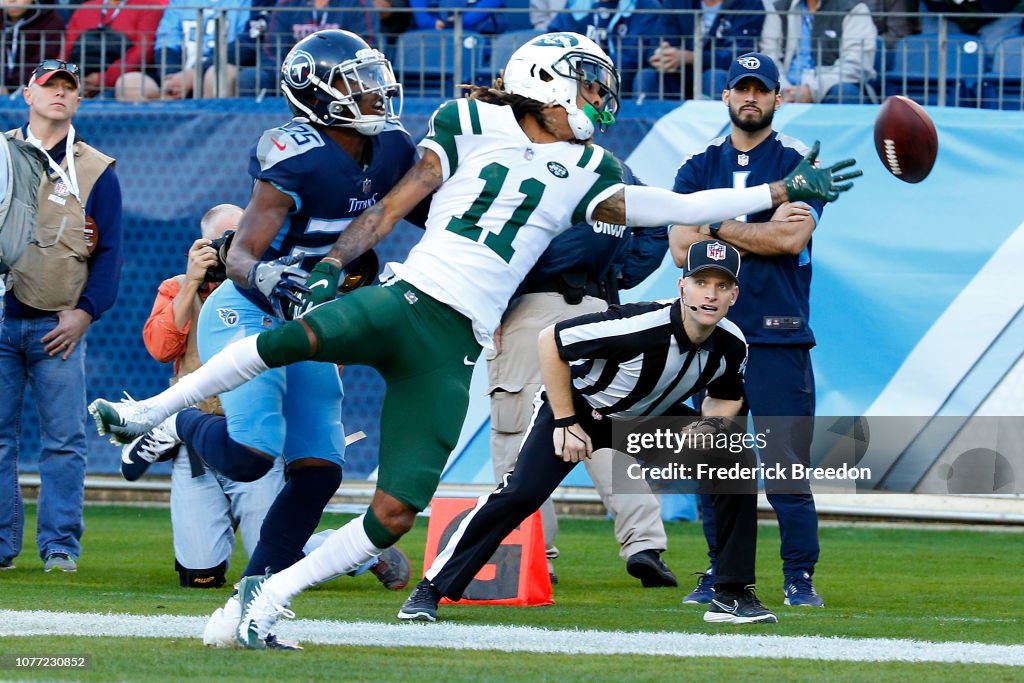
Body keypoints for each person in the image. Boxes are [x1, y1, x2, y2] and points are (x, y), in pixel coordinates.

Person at [88, 31, 857, 648]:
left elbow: (673, 204)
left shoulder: (591, 167)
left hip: (454, 346)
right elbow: (393, 207)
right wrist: (329, 264)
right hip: (407, 299)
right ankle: (150, 410)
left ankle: (268, 599)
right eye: (583, 81)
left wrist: (777, 190)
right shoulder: (464, 122)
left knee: (396, 511)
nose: (595, 95)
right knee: (291, 338)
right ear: (548, 81)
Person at [401, 240, 778, 624]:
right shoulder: (639, 325)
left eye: (721, 286)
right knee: (521, 494)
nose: (710, 294)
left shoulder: (732, 344)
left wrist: (707, 432)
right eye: (701, 283)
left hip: (646, 421)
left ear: (735, 294)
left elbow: (726, 396)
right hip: (583, 409)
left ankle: (731, 594)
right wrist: (565, 421)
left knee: (732, 459)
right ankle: (430, 589)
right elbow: (551, 341)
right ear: (682, 286)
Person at [135, 203, 408, 594]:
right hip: (201, 437)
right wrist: (193, 282)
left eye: (243, 238)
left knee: (278, 552)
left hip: (256, 433)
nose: (234, 249)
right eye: (223, 242)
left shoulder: (285, 288)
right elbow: (161, 347)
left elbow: (331, 361)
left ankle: (357, 551)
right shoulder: (179, 286)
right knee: (200, 576)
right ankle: (346, 547)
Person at [668, 52, 827, 608]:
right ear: (727, 96)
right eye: (742, 88)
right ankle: (720, 571)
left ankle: (799, 578)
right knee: (714, 464)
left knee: (786, 467)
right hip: (711, 342)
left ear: (779, 99)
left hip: (778, 335)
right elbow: (680, 250)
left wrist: (713, 224)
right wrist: (755, 226)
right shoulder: (697, 166)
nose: (751, 97)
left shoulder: (799, 166)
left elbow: (789, 242)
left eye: (762, 89)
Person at [487, 164, 677, 588]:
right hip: (599, 310)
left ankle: (534, 555)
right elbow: (654, 224)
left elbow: (492, 243)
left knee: (517, 436)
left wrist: (491, 306)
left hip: (529, 310)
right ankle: (643, 544)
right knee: (609, 433)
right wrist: (619, 274)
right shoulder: (617, 168)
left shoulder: (523, 161)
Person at [0, 60, 123, 573]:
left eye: (68, 89)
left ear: (78, 102)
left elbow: (111, 251)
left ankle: (60, 547)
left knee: (65, 442)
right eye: (49, 86)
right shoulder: (1, 153)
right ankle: (3, 546)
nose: (58, 95)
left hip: (59, 326)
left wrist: (86, 314)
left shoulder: (97, 167)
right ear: (27, 94)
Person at [236, 0, 382, 98]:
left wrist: (329, 77)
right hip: (292, 75)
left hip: (340, 79)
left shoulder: (359, 4)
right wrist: (293, 77)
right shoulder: (286, 4)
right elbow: (271, 52)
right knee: (249, 77)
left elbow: (364, 49)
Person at [116, 0, 252, 101]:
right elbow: (166, 41)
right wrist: (172, 78)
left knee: (218, 76)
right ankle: (160, 136)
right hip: (177, 74)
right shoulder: (180, 1)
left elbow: (243, 46)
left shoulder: (246, 2)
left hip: (215, 71)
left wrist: (194, 75)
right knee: (128, 83)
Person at [639, 0, 765, 100]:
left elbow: (742, 57)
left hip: (724, 78)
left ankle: (723, 131)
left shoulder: (750, 3)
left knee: (712, 77)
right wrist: (660, 56)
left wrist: (692, 58)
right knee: (647, 77)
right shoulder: (676, 2)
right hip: (679, 75)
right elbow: (655, 42)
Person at [760, 0, 878, 104]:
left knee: (846, 92)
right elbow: (769, 58)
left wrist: (811, 90)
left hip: (829, 88)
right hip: (785, 89)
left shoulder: (854, 9)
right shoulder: (779, 9)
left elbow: (856, 64)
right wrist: (785, 90)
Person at [547, 0, 666, 96]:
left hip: (620, 75)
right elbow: (555, 38)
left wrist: (595, 72)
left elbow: (632, 53)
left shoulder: (644, 5)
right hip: (579, 72)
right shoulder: (577, 4)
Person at [60, 0, 166, 99]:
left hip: (121, 79)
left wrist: (104, 79)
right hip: (79, 79)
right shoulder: (86, 8)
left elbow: (143, 51)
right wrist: (68, 78)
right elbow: (67, 50)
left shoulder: (149, 7)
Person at [1, 1, 66, 94]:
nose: (12, 0)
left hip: (33, 89)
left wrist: (11, 87)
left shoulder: (50, 19)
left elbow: (44, 60)